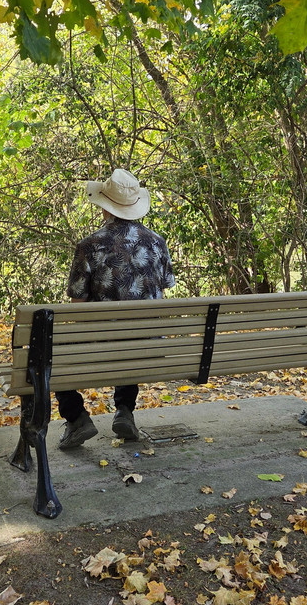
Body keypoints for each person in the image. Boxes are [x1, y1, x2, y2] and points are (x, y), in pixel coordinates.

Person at [57, 168, 176, 449]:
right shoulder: (158, 243)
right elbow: (166, 285)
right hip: (149, 348)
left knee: (48, 354)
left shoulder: (89, 246)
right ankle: (124, 410)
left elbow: (77, 306)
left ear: (104, 208)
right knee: (137, 331)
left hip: (102, 347)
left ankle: (76, 419)